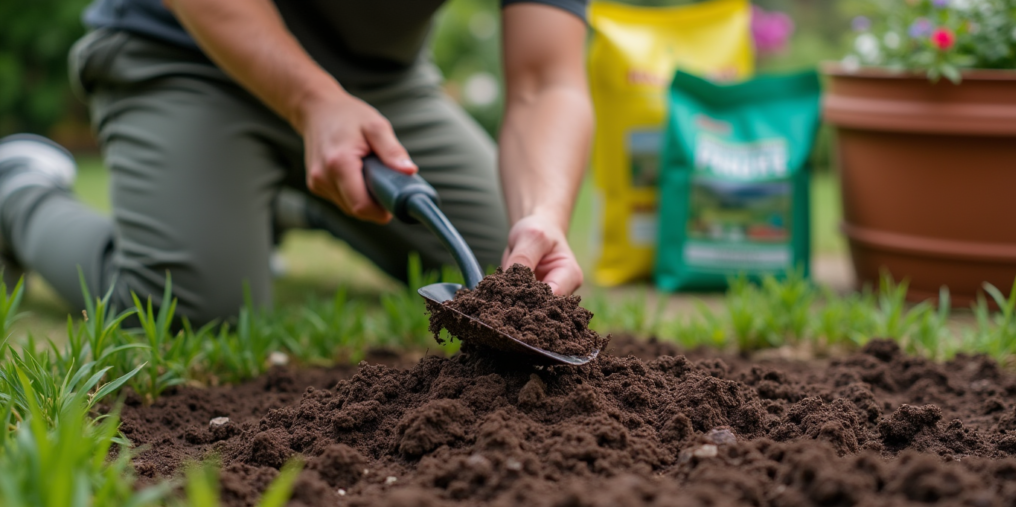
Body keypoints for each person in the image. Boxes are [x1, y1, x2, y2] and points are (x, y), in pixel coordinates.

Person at [0, 0, 592, 324]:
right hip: (189, 56)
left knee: (507, 273)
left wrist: (541, 213)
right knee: (185, 310)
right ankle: (19, 193)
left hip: (378, 87)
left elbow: (546, 81)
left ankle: (270, 200)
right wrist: (312, 102)